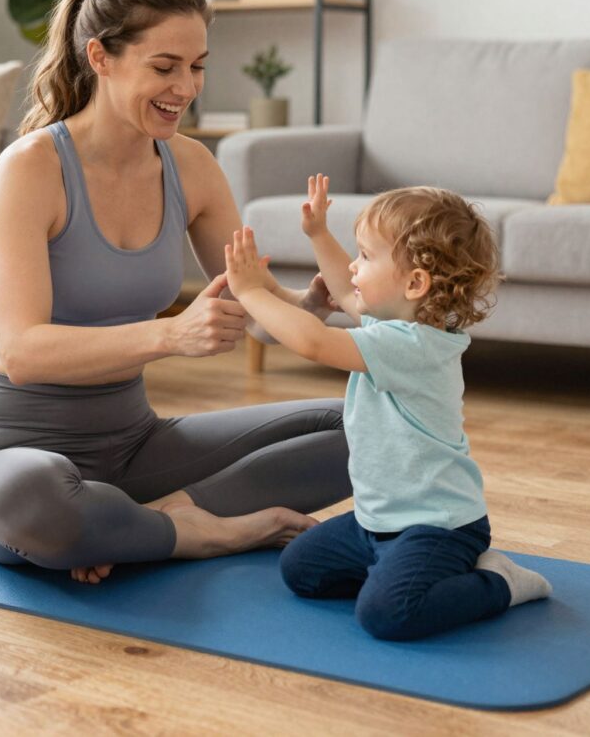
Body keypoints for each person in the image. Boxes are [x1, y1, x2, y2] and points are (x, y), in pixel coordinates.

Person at [0, 0, 352, 584]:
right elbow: (22, 351)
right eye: (164, 67)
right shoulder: (31, 167)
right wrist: (171, 334)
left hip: (135, 446)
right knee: (36, 501)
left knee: (361, 430)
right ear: (101, 57)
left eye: (196, 67)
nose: (185, 88)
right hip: (14, 452)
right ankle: (195, 535)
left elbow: (259, 313)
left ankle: (159, 523)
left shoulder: (191, 166)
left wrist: (311, 304)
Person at [222, 176, 552, 640]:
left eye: (366, 256)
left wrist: (251, 293)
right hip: (376, 523)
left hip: (439, 526)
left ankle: (499, 582)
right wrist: (319, 234)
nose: (354, 267)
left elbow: (313, 341)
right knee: (301, 569)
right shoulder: (397, 321)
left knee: (387, 615)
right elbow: (349, 289)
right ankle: (395, 568)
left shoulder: (412, 346)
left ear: (415, 282)